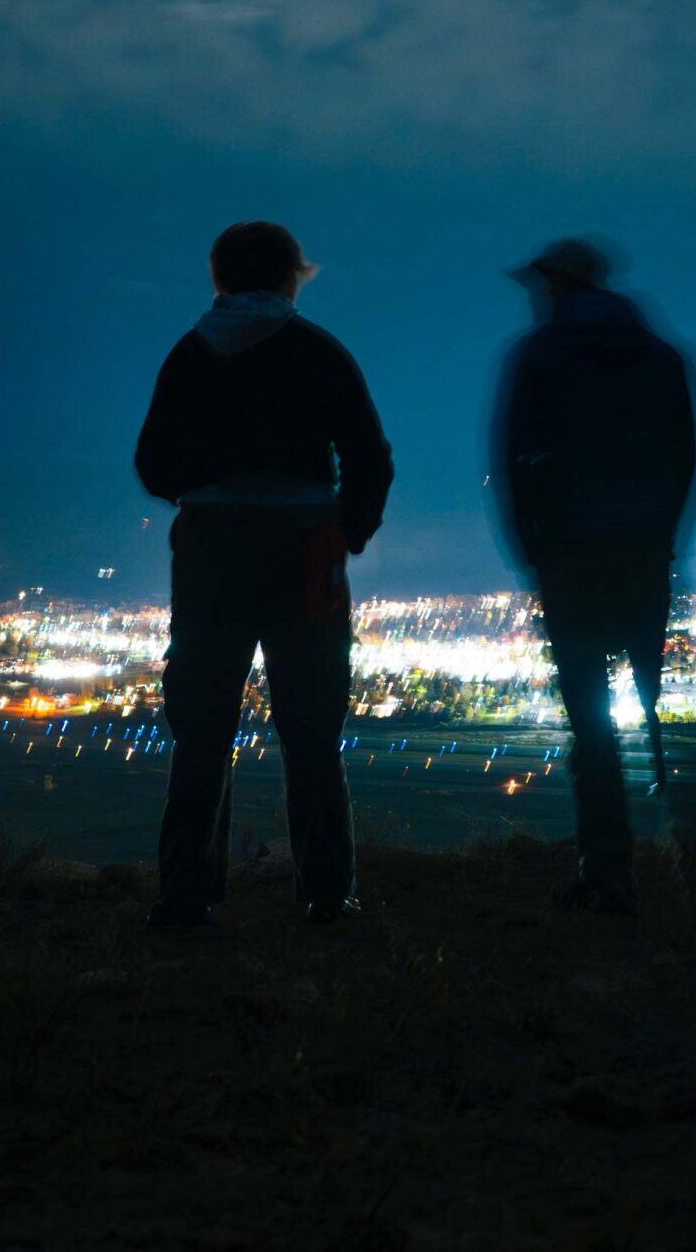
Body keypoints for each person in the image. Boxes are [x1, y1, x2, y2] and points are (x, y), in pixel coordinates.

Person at [134, 222, 392, 928]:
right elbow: (370, 454)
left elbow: (152, 462)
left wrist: (210, 491)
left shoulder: (190, 355)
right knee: (311, 727)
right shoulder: (318, 351)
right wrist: (349, 530)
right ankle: (328, 895)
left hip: (212, 549)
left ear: (220, 279)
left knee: (203, 726)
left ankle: (184, 896)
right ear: (289, 278)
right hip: (307, 549)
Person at [491, 238, 696, 915]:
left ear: (556, 286)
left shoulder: (541, 357)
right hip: (644, 551)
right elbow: (687, 455)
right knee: (660, 706)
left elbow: (518, 458)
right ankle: (694, 854)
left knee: (592, 721)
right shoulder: (662, 357)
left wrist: (535, 549)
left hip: (572, 559)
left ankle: (608, 871)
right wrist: (664, 532)